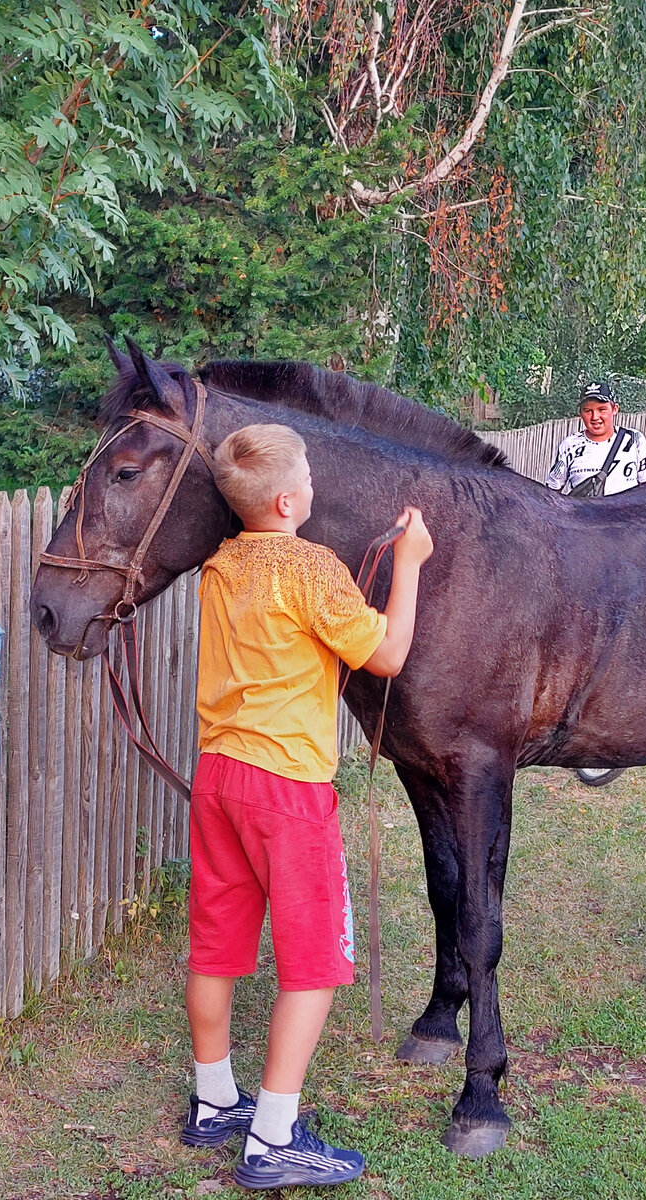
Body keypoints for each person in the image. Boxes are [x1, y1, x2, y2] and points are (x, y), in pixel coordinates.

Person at [180, 423, 433, 1190]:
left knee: (218, 944)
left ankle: (213, 1099)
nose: (317, 483)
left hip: (218, 775)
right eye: (311, 475)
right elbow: (386, 654)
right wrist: (411, 565)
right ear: (289, 500)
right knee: (315, 963)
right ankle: (273, 1136)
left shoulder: (220, 567)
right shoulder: (312, 568)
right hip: (286, 789)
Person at [545, 380, 646, 495]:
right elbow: (551, 492)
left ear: (614, 409)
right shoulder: (570, 445)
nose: (595, 417)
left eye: (602, 410)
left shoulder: (633, 440)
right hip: (581, 512)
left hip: (625, 512)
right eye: (588, 411)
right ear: (580, 413)